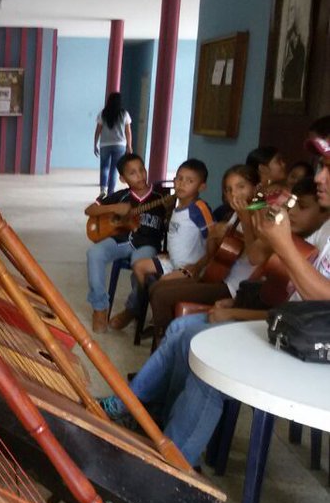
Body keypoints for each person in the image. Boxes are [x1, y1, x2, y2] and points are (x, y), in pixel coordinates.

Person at [99, 140, 330, 465]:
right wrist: (259, 224)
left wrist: (277, 245)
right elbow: (258, 257)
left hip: (301, 340)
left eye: (328, 170)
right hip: (282, 325)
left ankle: (173, 460)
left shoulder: (314, 230)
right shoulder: (323, 229)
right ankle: (146, 416)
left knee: (203, 357)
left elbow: (314, 301)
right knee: (181, 331)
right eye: (322, 168)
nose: (319, 177)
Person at [145, 164, 260, 343]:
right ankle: (165, 339)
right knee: (156, 288)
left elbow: (254, 258)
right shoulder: (234, 216)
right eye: (229, 189)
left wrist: (245, 220)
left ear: (256, 188)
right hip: (218, 276)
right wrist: (213, 236)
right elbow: (217, 254)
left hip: (234, 288)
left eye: (241, 187)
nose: (234, 194)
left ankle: (166, 344)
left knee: (161, 295)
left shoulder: (258, 217)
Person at [110, 159, 212, 331]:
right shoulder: (177, 206)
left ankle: (156, 322)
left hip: (191, 267)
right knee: (139, 267)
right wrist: (168, 212)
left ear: (201, 187)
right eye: (179, 178)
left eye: (189, 181)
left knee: (160, 286)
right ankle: (137, 309)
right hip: (173, 261)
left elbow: (213, 238)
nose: (182, 184)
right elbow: (177, 235)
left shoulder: (199, 208)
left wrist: (199, 266)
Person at [84, 152, 169, 333]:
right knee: (94, 253)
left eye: (141, 170)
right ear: (123, 179)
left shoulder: (161, 198)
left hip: (147, 244)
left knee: (140, 266)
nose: (140, 175)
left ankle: (132, 309)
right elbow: (89, 210)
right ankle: (99, 308)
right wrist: (115, 207)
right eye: (132, 173)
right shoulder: (121, 196)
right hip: (121, 240)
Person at [93, 91, 132, 196]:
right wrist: (129, 146)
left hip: (105, 145)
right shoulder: (124, 114)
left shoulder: (103, 113)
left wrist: (95, 144)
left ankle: (103, 190)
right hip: (120, 145)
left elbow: (98, 130)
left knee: (104, 167)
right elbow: (128, 132)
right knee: (114, 169)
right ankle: (111, 193)